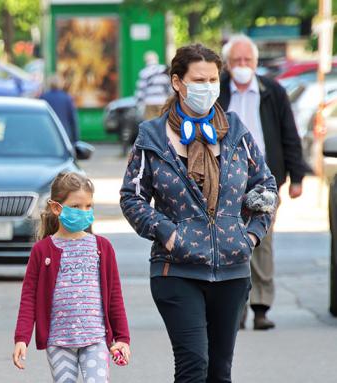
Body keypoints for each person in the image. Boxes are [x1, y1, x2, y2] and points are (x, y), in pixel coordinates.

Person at [120, 44, 278, 382]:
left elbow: (265, 187)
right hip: (176, 269)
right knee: (194, 367)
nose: (208, 86)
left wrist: (248, 235)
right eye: (199, 79)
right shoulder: (152, 137)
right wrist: (168, 233)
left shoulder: (236, 132)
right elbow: (132, 198)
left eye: (213, 79)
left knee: (220, 373)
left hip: (232, 270)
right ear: (178, 82)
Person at [219, 34, 307, 330]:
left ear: (256, 63)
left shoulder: (273, 91)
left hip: (265, 178)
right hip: (225, 179)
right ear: (228, 64)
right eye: (236, 61)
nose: (242, 66)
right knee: (229, 240)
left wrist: (297, 176)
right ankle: (235, 306)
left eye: (247, 61)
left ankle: (260, 305)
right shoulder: (218, 90)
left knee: (263, 240)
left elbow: (289, 135)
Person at [13, 172, 131, 383]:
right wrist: (22, 338)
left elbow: (114, 296)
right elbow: (29, 297)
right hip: (58, 341)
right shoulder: (42, 250)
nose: (84, 212)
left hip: (96, 339)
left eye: (88, 206)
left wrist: (122, 337)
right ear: (57, 208)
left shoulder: (102, 247)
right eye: (76, 207)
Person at [40, 75, 80, 145]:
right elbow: (73, 120)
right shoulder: (67, 98)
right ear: (61, 84)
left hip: (47, 134)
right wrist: (76, 140)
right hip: (64, 135)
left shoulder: (43, 97)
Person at [135, 51, 172, 121]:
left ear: (146, 61)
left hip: (149, 103)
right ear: (157, 59)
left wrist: (139, 105)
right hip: (162, 102)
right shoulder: (163, 70)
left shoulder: (144, 72)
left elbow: (140, 91)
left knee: (150, 126)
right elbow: (169, 88)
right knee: (162, 125)